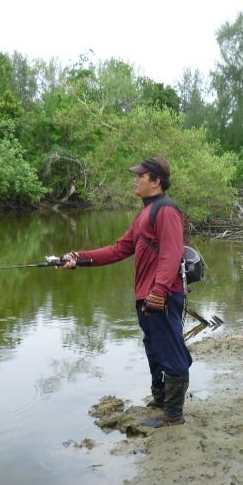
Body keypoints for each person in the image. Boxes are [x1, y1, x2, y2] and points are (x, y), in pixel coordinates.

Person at [62, 156, 192, 427]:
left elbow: (171, 253)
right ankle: (160, 399)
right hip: (146, 296)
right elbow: (118, 250)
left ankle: (174, 415)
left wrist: (159, 292)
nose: (135, 179)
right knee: (154, 348)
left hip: (162, 296)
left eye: (141, 176)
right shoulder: (144, 213)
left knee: (170, 351)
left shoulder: (166, 210)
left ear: (155, 181)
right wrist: (78, 257)